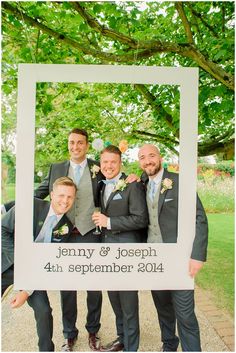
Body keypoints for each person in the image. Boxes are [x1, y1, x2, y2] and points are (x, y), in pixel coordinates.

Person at [34, 128, 104, 351]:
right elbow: (38, 194)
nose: (75, 147)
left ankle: (93, 330)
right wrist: (13, 207)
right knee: (67, 286)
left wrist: (134, 178)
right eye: (72, 143)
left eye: (80, 143)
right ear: (68, 144)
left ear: (87, 145)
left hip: (90, 234)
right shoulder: (56, 168)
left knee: (94, 285)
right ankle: (69, 333)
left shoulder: (98, 167)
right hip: (63, 236)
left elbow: (115, 182)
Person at [137, 144, 208, 352]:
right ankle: (169, 345)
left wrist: (197, 256)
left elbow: (199, 219)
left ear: (160, 157)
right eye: (142, 157)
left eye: (151, 155)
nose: (147, 160)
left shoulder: (178, 182)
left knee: (185, 314)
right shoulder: (140, 184)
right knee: (163, 310)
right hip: (153, 259)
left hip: (179, 260)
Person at [2, 177, 77, 351]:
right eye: (61, 195)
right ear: (51, 195)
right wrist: (19, 261)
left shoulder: (66, 226)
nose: (65, 201)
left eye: (70, 197)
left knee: (44, 311)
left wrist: (26, 291)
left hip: (34, 273)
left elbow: (47, 262)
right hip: (6, 262)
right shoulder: (31, 206)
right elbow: (3, 229)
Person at [92, 145, 148, 352]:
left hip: (127, 253)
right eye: (105, 162)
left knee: (129, 303)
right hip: (107, 252)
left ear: (120, 163)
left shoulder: (132, 185)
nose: (108, 166)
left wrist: (109, 222)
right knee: (114, 298)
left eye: (113, 162)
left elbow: (140, 219)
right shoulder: (100, 185)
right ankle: (122, 338)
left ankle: (131, 347)